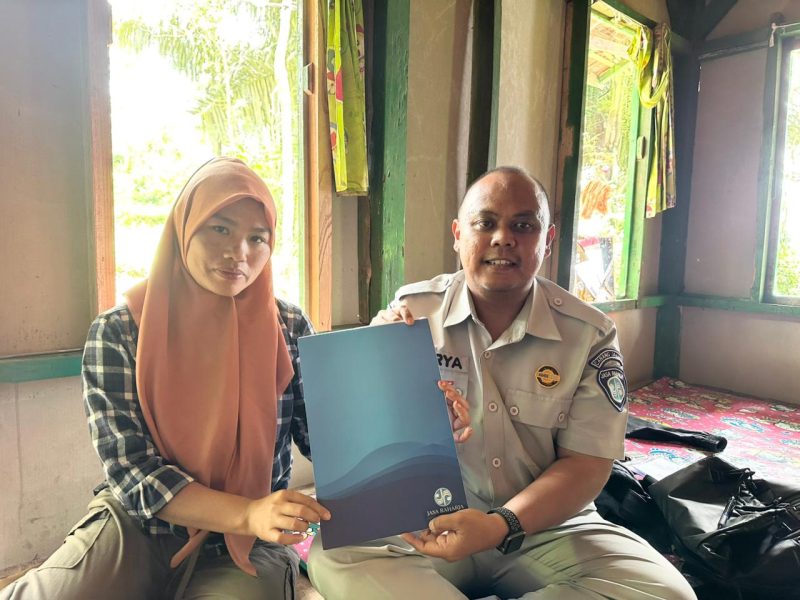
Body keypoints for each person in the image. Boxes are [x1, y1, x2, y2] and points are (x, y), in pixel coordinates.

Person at [308, 166, 696, 599]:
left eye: (523, 226)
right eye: (485, 222)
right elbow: (363, 437)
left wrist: (500, 524)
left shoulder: (589, 333)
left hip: (544, 526)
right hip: (430, 519)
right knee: (333, 554)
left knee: (666, 593)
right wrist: (381, 381)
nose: (503, 238)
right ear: (458, 235)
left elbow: (587, 463)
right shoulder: (412, 314)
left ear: (548, 240)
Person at [1, 157, 331, 599]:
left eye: (258, 238)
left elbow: (326, 438)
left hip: (250, 540)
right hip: (140, 525)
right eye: (220, 229)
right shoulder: (121, 331)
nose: (239, 252)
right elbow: (133, 471)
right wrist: (247, 511)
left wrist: (396, 372)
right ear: (184, 229)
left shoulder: (287, 327)